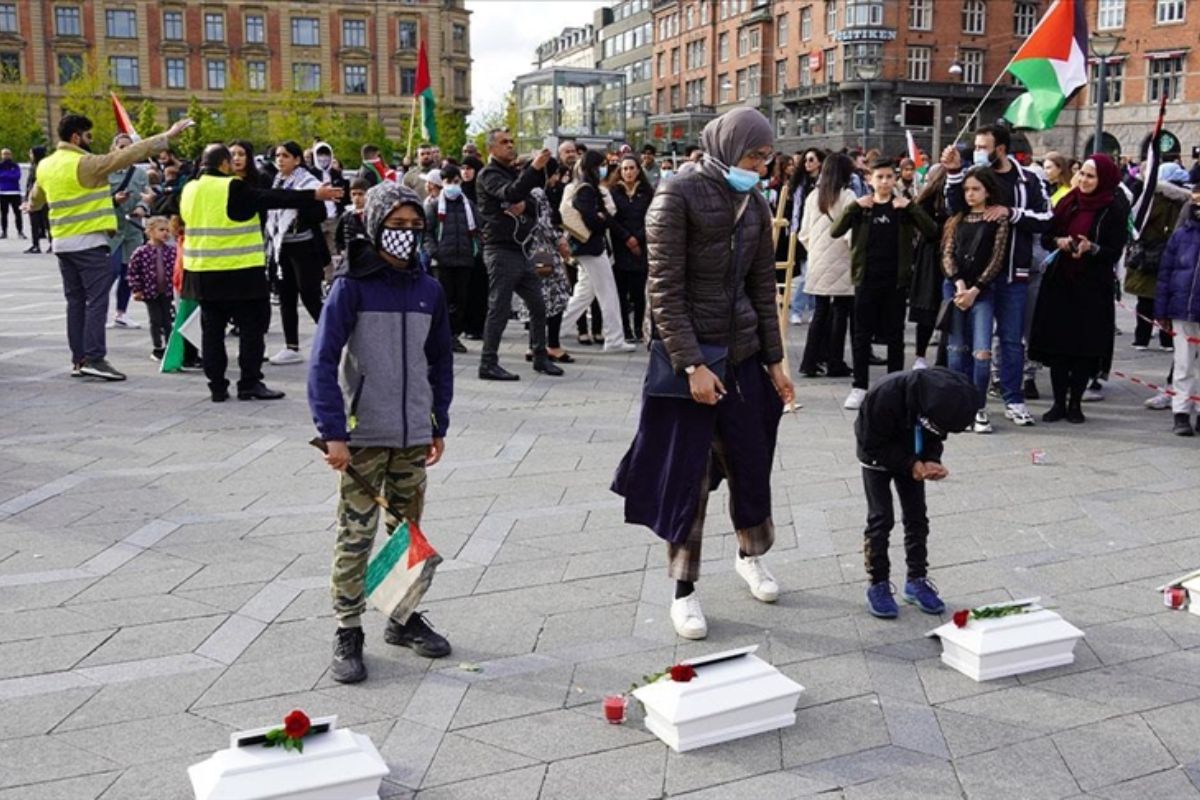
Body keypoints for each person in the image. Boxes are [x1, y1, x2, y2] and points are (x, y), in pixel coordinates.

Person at [612, 107, 794, 641]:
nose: (761, 165)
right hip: (689, 358)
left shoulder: (755, 200)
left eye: (766, 156)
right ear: (726, 146)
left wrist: (775, 361)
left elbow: (764, 287)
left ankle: (750, 555)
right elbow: (663, 291)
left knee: (751, 462)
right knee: (688, 478)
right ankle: (683, 591)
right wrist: (691, 363)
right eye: (754, 155)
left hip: (743, 356)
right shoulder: (677, 194)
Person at [308, 181, 454, 684]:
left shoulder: (428, 290)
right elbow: (323, 361)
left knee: (406, 532)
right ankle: (348, 627)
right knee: (356, 532)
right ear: (375, 227)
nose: (406, 236)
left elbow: (440, 361)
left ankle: (402, 614)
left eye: (415, 227)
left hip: (414, 432)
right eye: (396, 227)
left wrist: (439, 420)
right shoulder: (351, 286)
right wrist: (333, 431)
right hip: (363, 433)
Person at [24, 114, 192, 381]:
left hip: (62, 244)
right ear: (76, 136)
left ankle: (78, 359)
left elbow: (35, 199)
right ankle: (95, 358)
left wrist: (30, 207)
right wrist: (167, 137)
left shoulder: (46, 165)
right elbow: (128, 155)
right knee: (96, 301)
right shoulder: (85, 163)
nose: (91, 141)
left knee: (75, 302)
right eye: (88, 136)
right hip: (89, 242)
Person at [180, 143, 341, 402]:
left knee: (211, 332)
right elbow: (271, 197)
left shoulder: (189, 189)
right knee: (251, 330)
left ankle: (217, 387)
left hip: (201, 273)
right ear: (223, 164)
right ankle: (249, 383)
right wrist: (313, 195)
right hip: (240, 272)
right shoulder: (232, 186)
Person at [941, 125, 1051, 428]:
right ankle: (966, 402)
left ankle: (1013, 399)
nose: (976, 150)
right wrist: (952, 174)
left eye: (982, 146)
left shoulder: (1029, 178)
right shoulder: (970, 175)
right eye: (975, 145)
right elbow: (953, 212)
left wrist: (1011, 212)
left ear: (999, 149)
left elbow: (1046, 219)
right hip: (973, 279)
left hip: (1012, 273)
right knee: (966, 344)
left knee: (1011, 339)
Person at [855, 368, 977, 618]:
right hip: (876, 456)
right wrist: (911, 464)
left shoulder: (940, 399)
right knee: (881, 519)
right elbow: (872, 442)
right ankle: (878, 583)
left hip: (913, 451)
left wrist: (931, 459)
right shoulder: (884, 395)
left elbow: (934, 434)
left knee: (917, 518)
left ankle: (916, 579)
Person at [1029, 154, 1129, 424]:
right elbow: (1047, 237)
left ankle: (1076, 403)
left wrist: (1091, 248)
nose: (1084, 181)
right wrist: (1060, 241)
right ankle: (1058, 403)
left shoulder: (1113, 208)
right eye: (1082, 174)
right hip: (1060, 282)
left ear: (1103, 179)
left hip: (1092, 287)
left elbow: (1115, 251)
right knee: (1059, 345)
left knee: (1083, 348)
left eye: (1091, 176)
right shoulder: (1068, 202)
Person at [832, 158, 936, 410]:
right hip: (866, 279)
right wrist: (852, 208)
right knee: (861, 335)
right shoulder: (862, 207)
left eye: (890, 177)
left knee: (895, 335)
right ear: (870, 180)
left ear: (895, 178)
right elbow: (835, 231)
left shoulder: (902, 207)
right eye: (880, 177)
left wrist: (911, 207)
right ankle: (859, 385)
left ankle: (894, 385)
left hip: (896, 281)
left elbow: (932, 231)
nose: (885, 182)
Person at [476, 129, 562, 380]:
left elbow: (534, 204)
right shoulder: (489, 174)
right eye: (504, 142)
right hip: (500, 249)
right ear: (491, 149)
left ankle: (540, 356)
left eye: (512, 141)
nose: (510, 145)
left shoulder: (513, 173)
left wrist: (525, 204)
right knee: (499, 307)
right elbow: (510, 194)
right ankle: (488, 362)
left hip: (523, 249)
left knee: (538, 304)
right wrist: (533, 170)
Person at [941, 167, 1011, 433]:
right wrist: (959, 284)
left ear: (987, 191)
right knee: (956, 352)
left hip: (983, 291)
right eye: (967, 189)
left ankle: (979, 407)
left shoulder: (997, 220)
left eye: (976, 189)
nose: (970, 194)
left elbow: (997, 258)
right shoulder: (957, 219)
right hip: (955, 289)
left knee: (982, 353)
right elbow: (947, 255)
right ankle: (960, 409)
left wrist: (975, 290)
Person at [558, 150, 634, 354]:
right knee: (608, 292)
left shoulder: (588, 188)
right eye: (601, 164)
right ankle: (615, 339)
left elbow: (600, 216)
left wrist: (601, 218)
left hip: (586, 247)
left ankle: (555, 329)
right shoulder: (586, 190)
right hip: (590, 247)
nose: (604, 169)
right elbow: (592, 218)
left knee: (584, 294)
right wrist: (600, 221)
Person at [265, 141, 329, 365]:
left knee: (310, 295)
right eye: (278, 156)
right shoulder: (277, 181)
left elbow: (320, 213)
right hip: (283, 245)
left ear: (297, 159)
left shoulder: (308, 182)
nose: (280, 160)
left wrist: (298, 214)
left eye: (285, 156)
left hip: (304, 246)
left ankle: (333, 339)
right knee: (286, 296)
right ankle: (291, 346)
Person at [798, 153, 856, 378]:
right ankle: (835, 361)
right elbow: (851, 233)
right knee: (841, 313)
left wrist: (816, 252)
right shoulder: (848, 196)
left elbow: (804, 233)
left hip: (818, 261)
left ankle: (809, 362)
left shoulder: (814, 196)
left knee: (820, 313)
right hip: (842, 260)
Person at [1155, 186, 1200, 436]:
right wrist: (1161, 309)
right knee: (1182, 363)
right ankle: (1180, 412)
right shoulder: (1181, 235)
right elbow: (1166, 273)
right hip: (1182, 308)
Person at [425, 163, 477, 354]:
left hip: (464, 260)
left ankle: (453, 335)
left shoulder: (468, 206)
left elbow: (477, 230)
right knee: (443, 300)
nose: (452, 185)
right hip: (442, 261)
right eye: (448, 181)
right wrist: (434, 252)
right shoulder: (433, 205)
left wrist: (474, 251)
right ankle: (441, 335)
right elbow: (427, 232)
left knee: (461, 300)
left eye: (456, 181)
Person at [107, 133, 150, 330]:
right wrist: (114, 200)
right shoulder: (105, 172)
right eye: (121, 146)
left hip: (132, 229)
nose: (125, 150)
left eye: (129, 147)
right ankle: (97, 310)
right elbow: (97, 201)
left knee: (127, 273)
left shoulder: (140, 174)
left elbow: (147, 194)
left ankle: (121, 313)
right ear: (114, 149)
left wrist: (142, 206)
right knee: (111, 270)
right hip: (112, 229)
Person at [909, 167, 950, 371]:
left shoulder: (926, 199)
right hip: (935, 254)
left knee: (929, 307)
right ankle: (932, 357)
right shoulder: (929, 200)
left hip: (931, 255)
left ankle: (922, 356)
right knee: (937, 306)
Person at [610, 155, 654, 342]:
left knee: (639, 293)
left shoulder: (647, 192)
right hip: (620, 246)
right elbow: (611, 219)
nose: (628, 172)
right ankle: (624, 329)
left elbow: (652, 217)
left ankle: (638, 327)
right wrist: (627, 238)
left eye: (632, 168)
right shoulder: (613, 192)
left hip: (640, 247)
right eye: (625, 168)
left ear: (638, 170)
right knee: (620, 292)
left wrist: (638, 238)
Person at [125, 216, 177, 361]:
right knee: (155, 320)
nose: (165, 233)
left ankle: (169, 345)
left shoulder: (172, 251)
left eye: (167, 230)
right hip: (150, 292)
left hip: (167, 292)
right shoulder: (141, 252)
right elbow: (133, 272)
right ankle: (157, 347)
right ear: (150, 231)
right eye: (161, 230)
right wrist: (137, 289)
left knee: (168, 320)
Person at [787, 147, 824, 325]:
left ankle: (812, 309)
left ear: (820, 162)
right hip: (802, 231)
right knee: (806, 273)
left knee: (813, 273)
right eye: (806, 160)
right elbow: (795, 207)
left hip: (819, 231)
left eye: (811, 160)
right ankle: (798, 309)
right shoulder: (800, 182)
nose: (807, 163)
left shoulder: (825, 182)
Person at [24, 146, 50, 253]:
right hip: (33, 198)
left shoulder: (43, 166)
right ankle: (35, 245)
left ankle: (51, 244)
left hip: (43, 198)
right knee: (34, 223)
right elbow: (29, 183)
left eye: (31, 154)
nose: (30, 156)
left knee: (47, 223)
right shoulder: (32, 166)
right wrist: (26, 198)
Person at [0, 148, 24, 239]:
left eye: (8, 154)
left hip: (15, 192)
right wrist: (9, 175)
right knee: (4, 214)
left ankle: (20, 231)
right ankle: (4, 232)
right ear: (1, 155)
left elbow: (17, 176)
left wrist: (4, 175)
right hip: (3, 193)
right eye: (4, 154)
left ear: (11, 155)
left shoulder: (15, 166)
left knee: (18, 213)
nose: (6, 156)